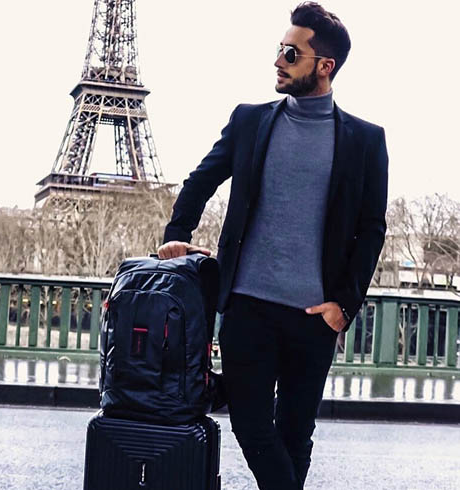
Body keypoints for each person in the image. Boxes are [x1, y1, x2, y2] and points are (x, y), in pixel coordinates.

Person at [158, 2, 388, 488]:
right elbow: (201, 180)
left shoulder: (366, 140)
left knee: (295, 436)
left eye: (291, 53)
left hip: (315, 317)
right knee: (251, 427)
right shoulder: (250, 120)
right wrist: (177, 235)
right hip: (247, 308)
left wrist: (343, 306)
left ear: (324, 66)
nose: (278, 61)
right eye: (280, 49)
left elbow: (371, 229)